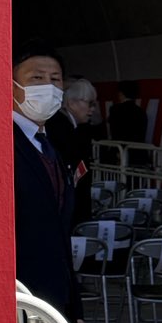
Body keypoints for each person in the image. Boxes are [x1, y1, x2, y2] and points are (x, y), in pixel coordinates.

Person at [12, 42, 86, 323]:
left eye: (55, 79)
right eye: (36, 78)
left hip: (55, 304)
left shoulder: (54, 143)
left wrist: (74, 308)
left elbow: (61, 236)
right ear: (13, 85)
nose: (48, 87)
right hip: (18, 300)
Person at [46, 76, 100, 226]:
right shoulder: (60, 129)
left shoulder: (71, 127)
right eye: (90, 103)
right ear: (71, 102)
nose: (92, 109)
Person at [107, 80, 152, 169]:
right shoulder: (141, 112)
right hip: (139, 155)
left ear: (121, 93)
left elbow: (115, 132)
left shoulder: (115, 110)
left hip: (120, 154)